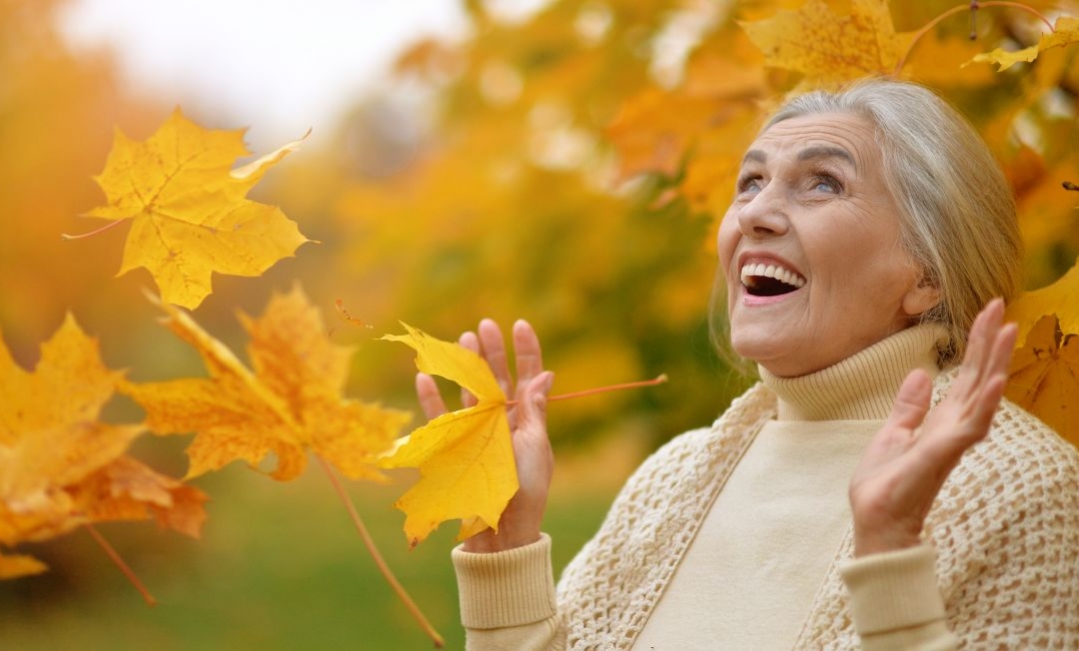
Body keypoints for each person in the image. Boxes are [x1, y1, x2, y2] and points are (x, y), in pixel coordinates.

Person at [416, 79, 1079, 649]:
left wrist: (891, 563)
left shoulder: (1025, 487)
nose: (757, 212)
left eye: (823, 182)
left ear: (927, 275)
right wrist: (504, 562)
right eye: (750, 182)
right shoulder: (671, 481)